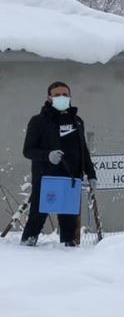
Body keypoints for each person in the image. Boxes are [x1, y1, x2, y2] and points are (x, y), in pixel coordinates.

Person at [21, 81, 97, 246]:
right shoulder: (38, 121)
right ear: (49, 98)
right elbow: (28, 150)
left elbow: (83, 150)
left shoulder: (77, 121)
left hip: (70, 180)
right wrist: (47, 155)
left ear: (70, 97)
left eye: (65, 94)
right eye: (57, 95)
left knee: (69, 223)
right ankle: (25, 250)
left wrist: (91, 174)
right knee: (37, 218)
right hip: (46, 179)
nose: (61, 98)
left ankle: (68, 253)